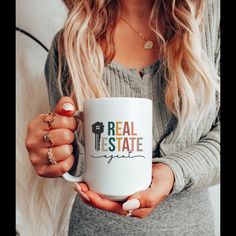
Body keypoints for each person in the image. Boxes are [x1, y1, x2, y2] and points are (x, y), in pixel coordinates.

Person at [25, 0, 220, 235]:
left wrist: (172, 171)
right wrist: (54, 149)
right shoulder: (69, 44)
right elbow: (81, 162)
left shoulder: (211, 19)